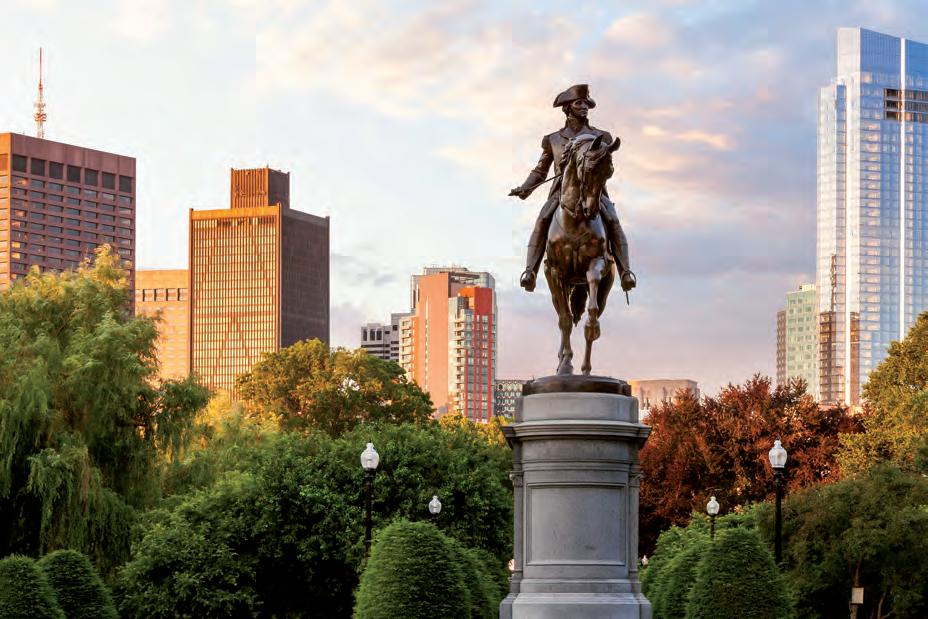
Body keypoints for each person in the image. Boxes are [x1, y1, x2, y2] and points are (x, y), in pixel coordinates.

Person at [510, 84, 636, 293]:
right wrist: (525, 188)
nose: (584, 107)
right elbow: (540, 171)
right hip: (561, 193)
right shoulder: (553, 139)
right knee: (542, 219)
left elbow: (608, 169)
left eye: (587, 103)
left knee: (613, 221)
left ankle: (625, 272)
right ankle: (530, 272)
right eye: (579, 103)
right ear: (568, 108)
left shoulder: (601, 136)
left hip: (594, 192)